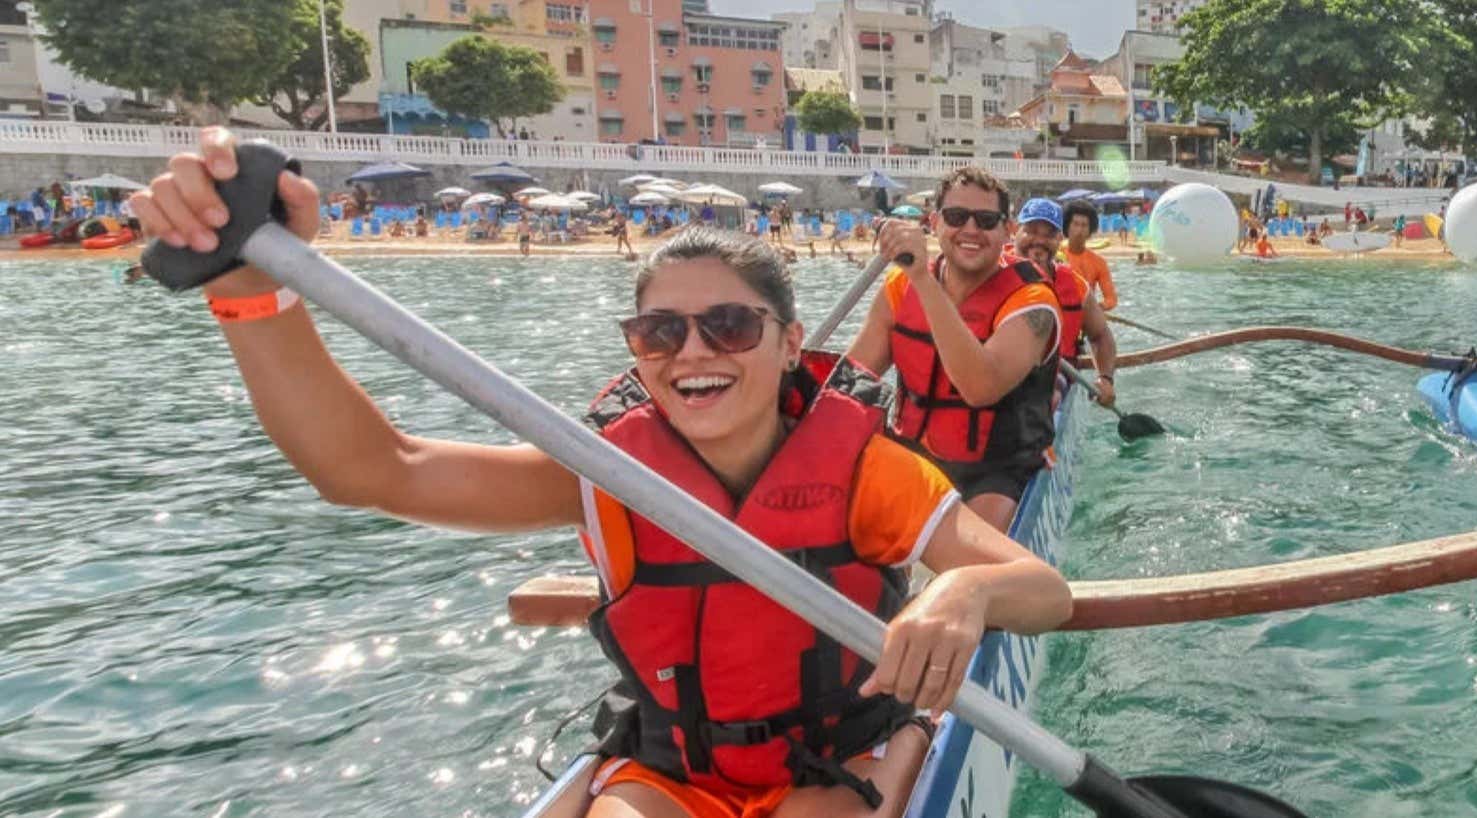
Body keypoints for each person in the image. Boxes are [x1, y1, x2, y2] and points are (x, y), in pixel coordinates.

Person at [125, 129, 1071, 818]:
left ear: (789, 346)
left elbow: (1041, 589)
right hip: (665, 777)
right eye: (663, 331)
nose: (694, 350)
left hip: (831, 770)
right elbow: (372, 470)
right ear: (638, 352)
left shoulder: (869, 469)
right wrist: (256, 296)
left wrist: (967, 595)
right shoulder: (603, 472)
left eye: (731, 326)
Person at [846, 167, 1064, 529]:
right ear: (934, 222)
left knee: (969, 557)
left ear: (1007, 231)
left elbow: (980, 388)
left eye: (987, 220)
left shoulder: (1033, 302)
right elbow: (854, 378)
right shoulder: (899, 286)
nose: (971, 230)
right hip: (914, 451)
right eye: (956, 216)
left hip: (997, 468)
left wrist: (922, 278)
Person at [1013, 199, 1120, 407]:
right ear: (1014, 232)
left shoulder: (1077, 285)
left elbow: (1101, 335)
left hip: (1054, 375)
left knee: (1049, 397)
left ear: (1059, 239)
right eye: (1031, 231)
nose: (1039, 241)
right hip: (1002, 371)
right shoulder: (992, 272)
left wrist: (1105, 379)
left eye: (1049, 235)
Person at [1055, 200, 1117, 310]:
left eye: (1084, 225)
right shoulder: (1054, 256)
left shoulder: (1099, 263)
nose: (1079, 230)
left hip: (1086, 315)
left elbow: (1111, 299)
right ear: (1067, 226)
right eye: (1076, 224)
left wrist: (1098, 308)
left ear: (1090, 229)